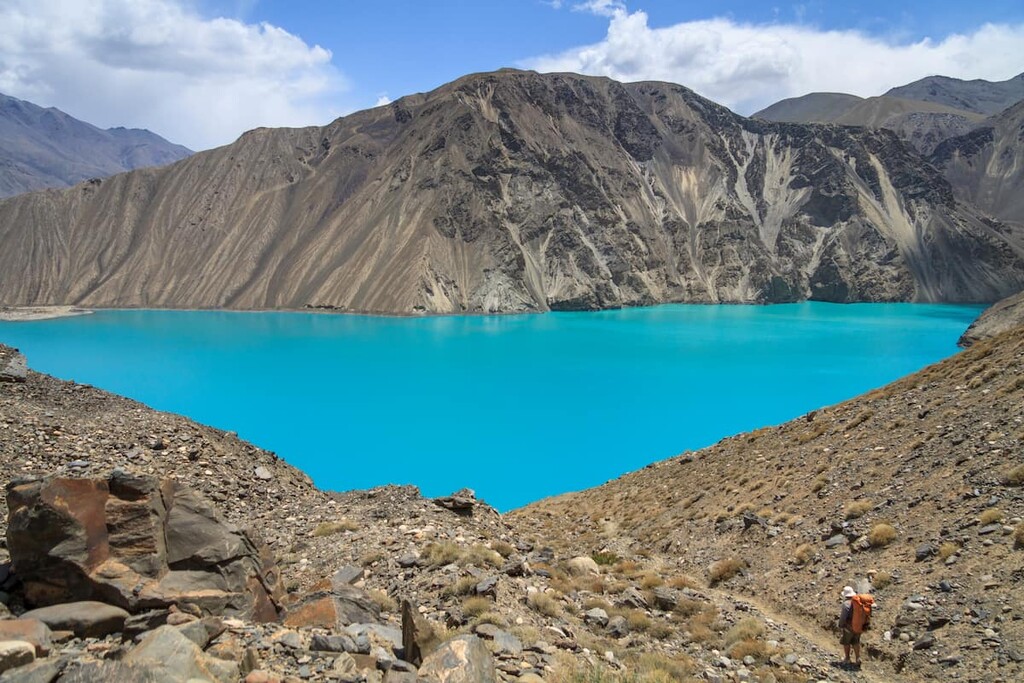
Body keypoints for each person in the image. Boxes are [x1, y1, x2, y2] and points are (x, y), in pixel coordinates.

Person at [838, 585, 861, 667]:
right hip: (858, 626)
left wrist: (841, 624)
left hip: (849, 627)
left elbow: (843, 616)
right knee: (856, 642)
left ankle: (847, 658)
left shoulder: (846, 604)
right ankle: (858, 658)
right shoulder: (858, 602)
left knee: (846, 642)